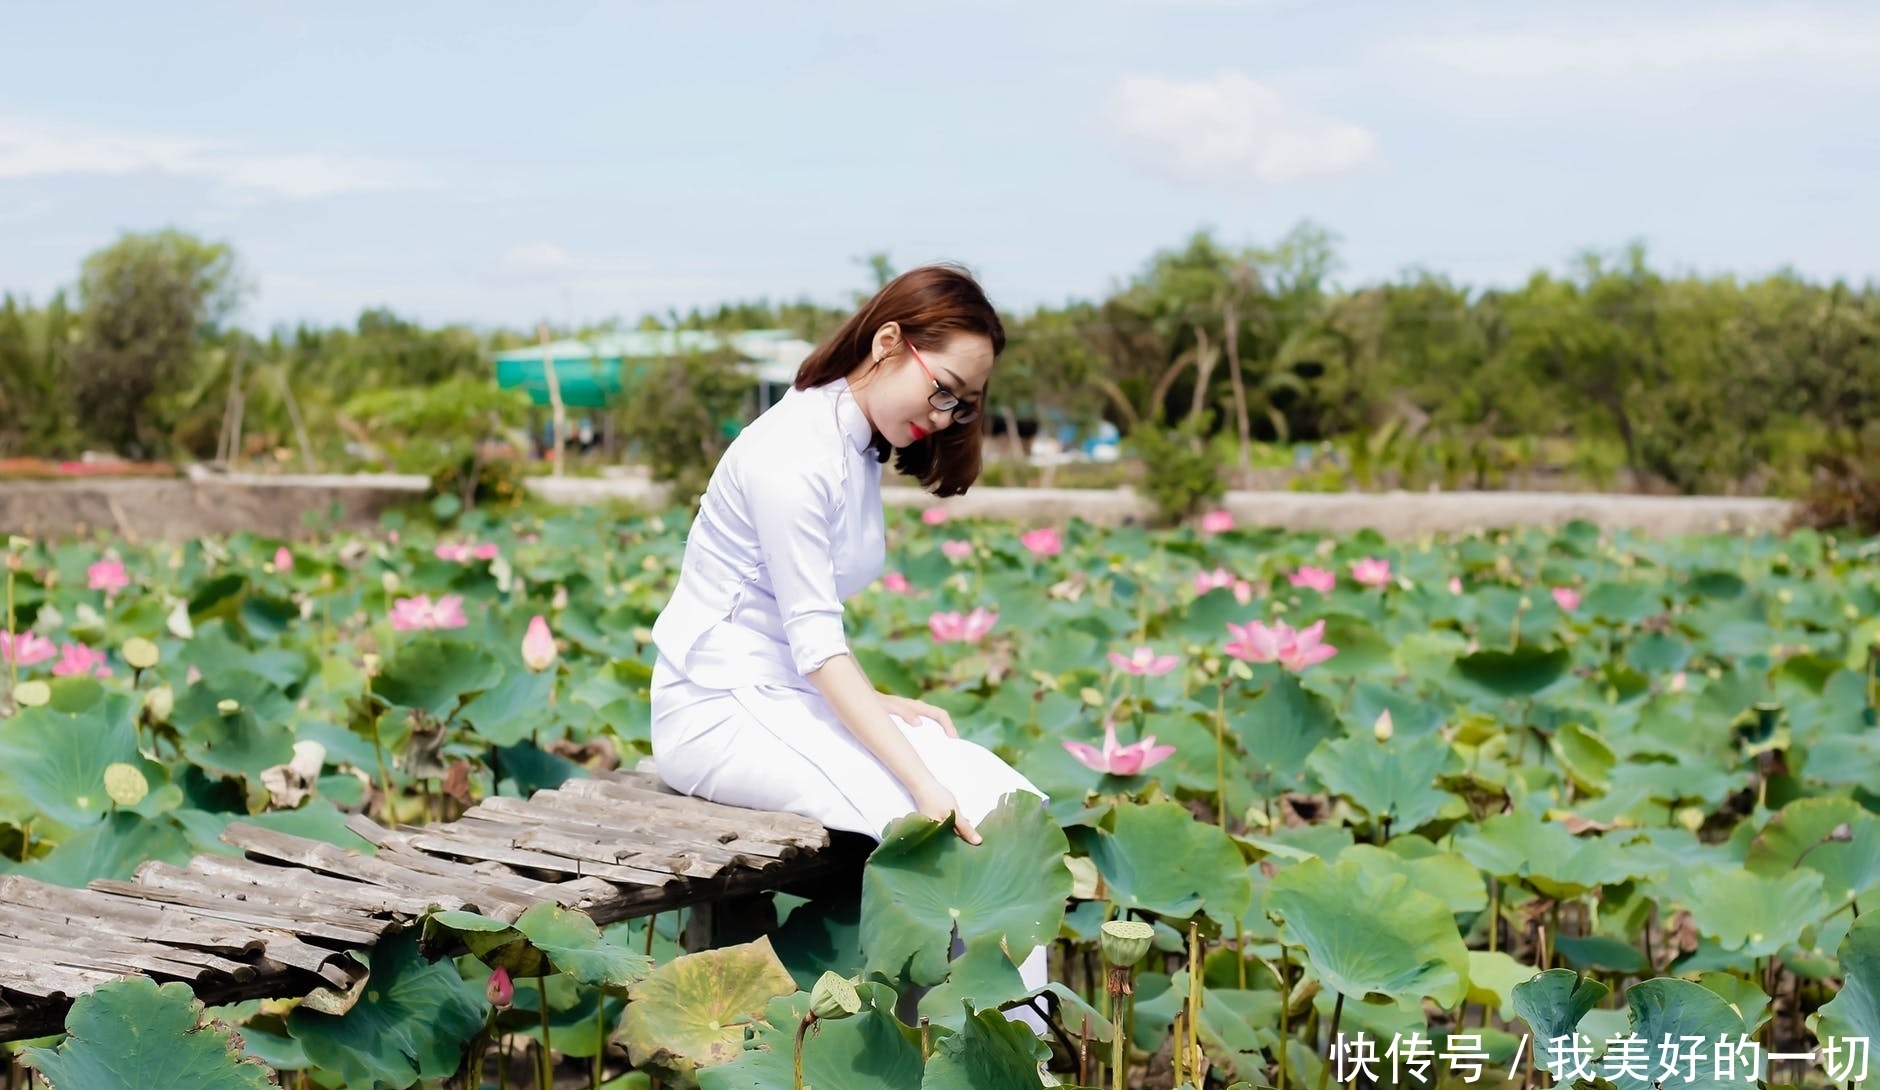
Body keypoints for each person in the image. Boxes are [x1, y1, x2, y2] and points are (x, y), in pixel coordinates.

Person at [647, 264, 1051, 1018]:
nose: (947, 414)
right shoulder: (792, 451)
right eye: (944, 389)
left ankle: (1009, 1051)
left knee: (1007, 800)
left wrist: (889, 708)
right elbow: (813, 643)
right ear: (889, 340)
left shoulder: (853, 440)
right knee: (932, 818)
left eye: (964, 403)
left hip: (781, 698)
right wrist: (922, 783)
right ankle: (959, 1042)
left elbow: (800, 641)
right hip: (715, 711)